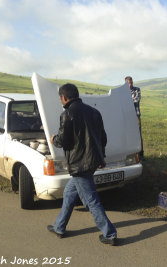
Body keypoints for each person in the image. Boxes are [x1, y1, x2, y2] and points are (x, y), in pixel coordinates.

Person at [47, 83, 117, 245]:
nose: (60, 101)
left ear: (64, 97)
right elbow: (102, 138)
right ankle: (59, 227)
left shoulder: (67, 114)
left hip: (79, 165)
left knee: (91, 200)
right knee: (69, 194)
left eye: (60, 98)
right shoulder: (94, 112)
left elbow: (64, 141)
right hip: (91, 162)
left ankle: (110, 234)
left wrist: (53, 139)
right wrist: (101, 157)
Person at [125, 76, 144, 159]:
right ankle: (130, 154)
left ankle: (141, 154)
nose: (130, 85)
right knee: (127, 134)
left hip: (136, 115)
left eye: (131, 83)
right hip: (126, 116)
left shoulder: (137, 89)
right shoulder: (122, 92)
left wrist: (126, 101)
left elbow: (137, 99)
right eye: (128, 83)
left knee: (138, 134)